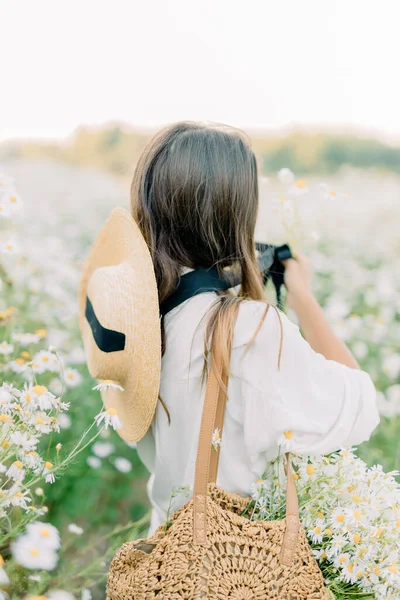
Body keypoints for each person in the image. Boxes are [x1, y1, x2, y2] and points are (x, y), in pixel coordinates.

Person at [131, 121, 379, 536]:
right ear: (236, 213)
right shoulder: (246, 328)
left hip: (168, 566)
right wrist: (302, 297)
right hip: (235, 570)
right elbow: (360, 410)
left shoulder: (143, 327)